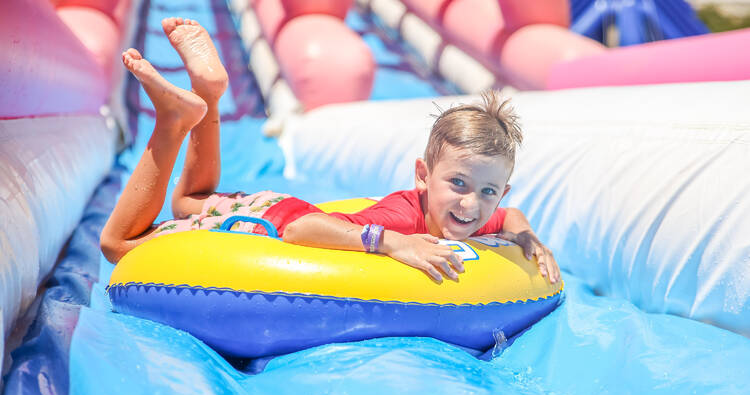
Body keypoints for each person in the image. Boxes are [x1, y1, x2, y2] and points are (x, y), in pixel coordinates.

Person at [100, 17, 561, 284]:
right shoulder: (402, 217)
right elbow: (302, 230)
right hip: (270, 224)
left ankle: (209, 91)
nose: (470, 203)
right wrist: (392, 243)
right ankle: (172, 122)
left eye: (487, 191)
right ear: (422, 175)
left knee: (186, 201)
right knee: (117, 245)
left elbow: (512, 216)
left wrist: (527, 239)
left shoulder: (479, 211)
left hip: (275, 205)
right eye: (457, 183)